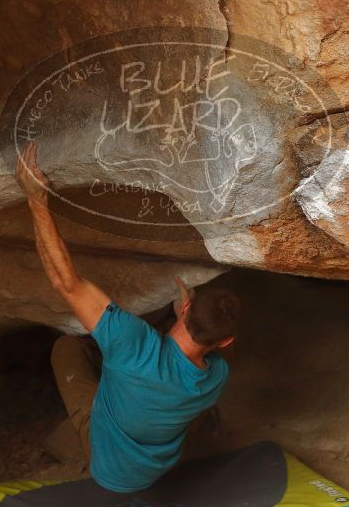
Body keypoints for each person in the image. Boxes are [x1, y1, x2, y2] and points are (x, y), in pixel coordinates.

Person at [15, 141, 241, 493]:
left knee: (67, 347)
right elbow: (214, 351)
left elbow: (67, 282)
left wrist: (36, 198)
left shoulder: (132, 344)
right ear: (225, 340)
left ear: (184, 308)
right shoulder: (215, 381)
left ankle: (75, 434)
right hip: (153, 470)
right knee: (141, 383)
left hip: (108, 471)